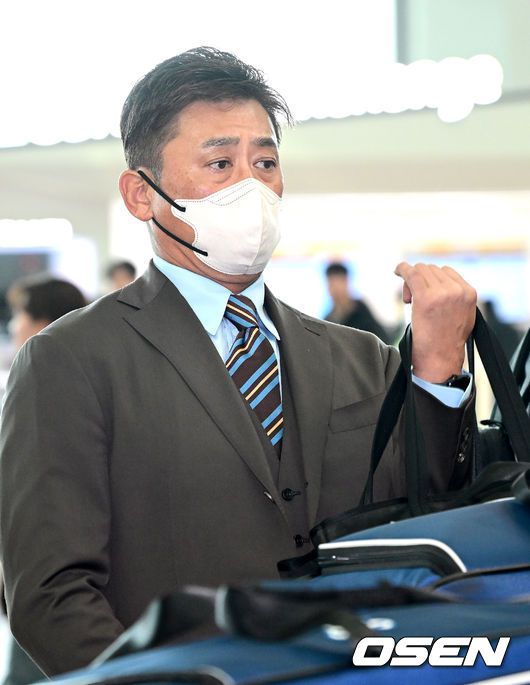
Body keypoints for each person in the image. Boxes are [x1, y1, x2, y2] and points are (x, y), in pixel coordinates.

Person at [0, 47, 477, 676]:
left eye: (266, 163)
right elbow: (50, 594)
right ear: (141, 195)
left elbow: (437, 523)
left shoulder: (360, 356)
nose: (251, 187)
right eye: (220, 163)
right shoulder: (71, 360)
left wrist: (437, 372)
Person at [1, 275, 86, 685]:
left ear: (42, 321)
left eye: (20, 314)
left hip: (53, 579)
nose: (14, 325)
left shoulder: (47, 380)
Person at [324, 262, 390, 342]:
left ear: (346, 282)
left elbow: (381, 339)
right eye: (332, 284)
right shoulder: (328, 320)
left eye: (339, 283)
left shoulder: (361, 311)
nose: (336, 289)